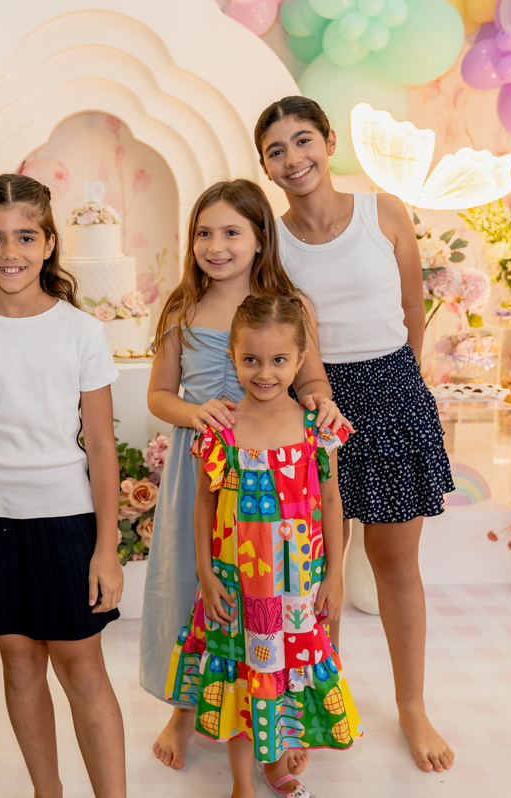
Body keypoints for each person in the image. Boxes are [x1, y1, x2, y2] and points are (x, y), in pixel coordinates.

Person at [255, 95, 456, 773]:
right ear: (265, 166)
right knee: (316, 573)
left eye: (303, 140)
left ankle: (412, 707)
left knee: (396, 564)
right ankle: (322, 700)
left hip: (392, 391)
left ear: (329, 142)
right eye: (276, 150)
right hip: (312, 405)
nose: (293, 159)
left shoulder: (383, 214)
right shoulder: (271, 241)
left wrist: (404, 386)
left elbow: (411, 308)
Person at [0, 173, 127, 798]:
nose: (9, 251)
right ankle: (48, 793)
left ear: (48, 244)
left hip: (67, 522)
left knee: (82, 668)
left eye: (24, 237)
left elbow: (101, 447)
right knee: (18, 664)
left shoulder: (81, 332)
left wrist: (106, 548)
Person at [139, 179, 349, 770]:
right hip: (206, 467)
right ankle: (185, 709)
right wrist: (195, 413)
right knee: (196, 589)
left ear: (260, 237)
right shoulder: (182, 307)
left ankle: (283, 710)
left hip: (275, 475)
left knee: (278, 594)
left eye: (232, 232)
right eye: (204, 233)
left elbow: (311, 378)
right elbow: (159, 394)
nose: (216, 246)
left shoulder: (289, 305)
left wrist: (321, 401)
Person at [167, 293, 361, 798]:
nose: (265, 372)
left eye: (278, 360)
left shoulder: (317, 429)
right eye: (251, 359)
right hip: (237, 587)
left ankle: (275, 763)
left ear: (300, 360)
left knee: (281, 674)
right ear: (232, 356)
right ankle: (241, 784)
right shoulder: (222, 429)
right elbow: (205, 504)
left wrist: (334, 576)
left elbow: (332, 502)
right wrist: (206, 574)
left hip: (296, 588)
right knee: (242, 673)